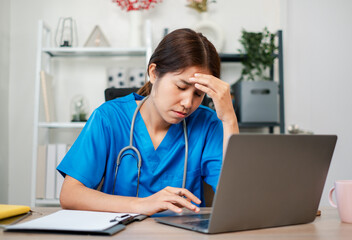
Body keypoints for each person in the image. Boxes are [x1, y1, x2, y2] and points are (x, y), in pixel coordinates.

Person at [57, 28, 239, 216]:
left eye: (199, 94)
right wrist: (141, 205)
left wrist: (229, 119)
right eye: (181, 86)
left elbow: (235, 201)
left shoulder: (207, 124)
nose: (187, 103)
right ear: (153, 73)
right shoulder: (109, 118)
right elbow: (70, 195)